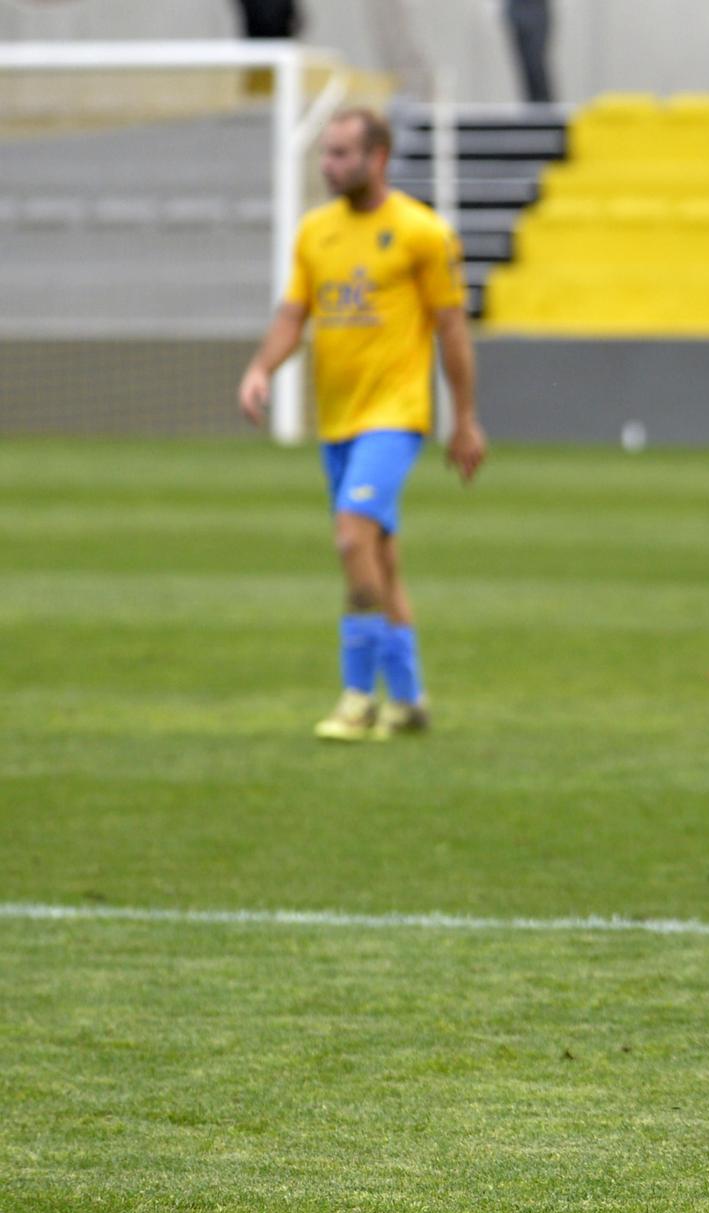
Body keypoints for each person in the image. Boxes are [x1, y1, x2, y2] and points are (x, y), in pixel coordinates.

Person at [237, 108, 487, 742]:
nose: (329, 165)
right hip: (338, 419)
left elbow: (452, 329)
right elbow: (294, 313)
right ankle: (408, 701)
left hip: (396, 415)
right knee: (380, 558)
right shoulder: (314, 233)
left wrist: (465, 420)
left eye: (343, 154)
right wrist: (261, 368)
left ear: (378, 158)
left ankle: (357, 697)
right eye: (327, 153)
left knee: (351, 538)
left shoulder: (421, 233)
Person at [506, 0, 556, 104]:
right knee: (525, 66)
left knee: (534, 62)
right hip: (517, 11)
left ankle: (543, 102)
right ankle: (532, 102)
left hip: (536, 11)